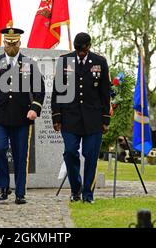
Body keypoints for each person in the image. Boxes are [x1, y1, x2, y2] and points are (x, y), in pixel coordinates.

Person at [0, 27, 45, 204]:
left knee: (20, 155)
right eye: (8, 43)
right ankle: (3, 186)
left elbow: (40, 90)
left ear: (20, 43)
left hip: (22, 117)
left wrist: (35, 109)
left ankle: (20, 193)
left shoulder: (30, 64)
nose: (11, 46)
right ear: (4, 43)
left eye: (14, 43)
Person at [51, 32, 111, 203]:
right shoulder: (64, 61)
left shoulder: (100, 62)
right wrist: (56, 117)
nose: (80, 54)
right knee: (70, 152)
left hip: (94, 119)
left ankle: (88, 194)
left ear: (89, 47)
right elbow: (58, 91)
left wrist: (106, 118)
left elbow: (105, 92)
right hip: (70, 117)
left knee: (91, 155)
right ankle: (75, 189)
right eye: (78, 50)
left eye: (83, 51)